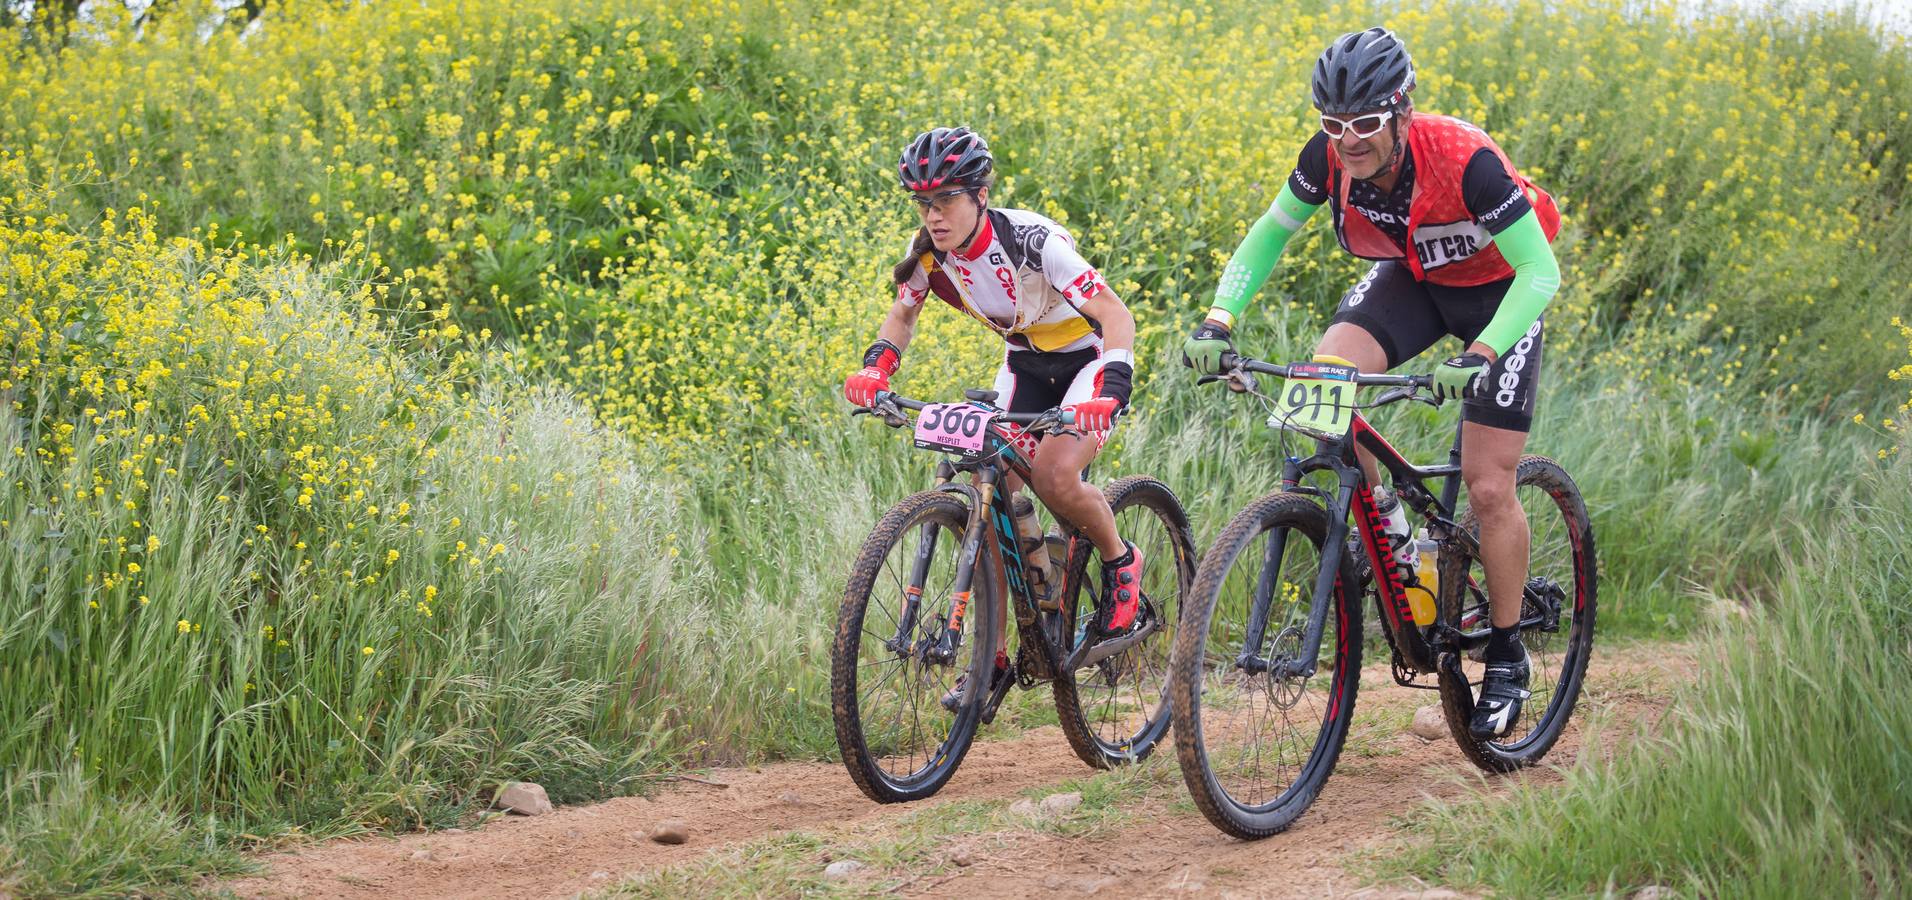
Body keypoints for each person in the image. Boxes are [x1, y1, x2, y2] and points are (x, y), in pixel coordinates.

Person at [1182, 28, 1564, 739]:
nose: (1348, 140)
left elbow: (1542, 274)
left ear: (1401, 111)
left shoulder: (1464, 160)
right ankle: (1387, 527)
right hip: (1414, 280)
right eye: (1333, 125)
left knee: (1486, 484)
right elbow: (1270, 232)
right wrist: (1218, 319)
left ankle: (1508, 655)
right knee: (1329, 379)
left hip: (1501, 293)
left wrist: (1481, 354)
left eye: (1364, 124)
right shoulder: (1327, 158)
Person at [845, 126, 1149, 703]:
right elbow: (902, 318)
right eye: (924, 202)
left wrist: (1111, 387)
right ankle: (997, 655)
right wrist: (876, 370)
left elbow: (1115, 314)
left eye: (947, 199)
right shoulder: (929, 255)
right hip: (1025, 364)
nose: (934, 215)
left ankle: (1119, 561)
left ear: (981, 195)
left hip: (1086, 361)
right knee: (992, 493)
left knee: (1057, 477)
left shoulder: (1033, 241)